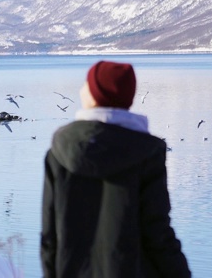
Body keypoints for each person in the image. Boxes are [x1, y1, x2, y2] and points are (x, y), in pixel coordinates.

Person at [41, 61, 191, 278]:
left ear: (94, 95)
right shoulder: (147, 152)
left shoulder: (59, 150)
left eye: (87, 85)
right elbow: (158, 234)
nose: (82, 90)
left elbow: (49, 237)